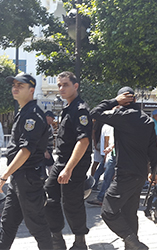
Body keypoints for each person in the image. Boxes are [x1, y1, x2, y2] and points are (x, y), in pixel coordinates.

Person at [90, 86, 157, 250]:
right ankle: (132, 246)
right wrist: (154, 172)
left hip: (125, 174)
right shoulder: (147, 120)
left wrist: (115, 101)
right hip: (140, 175)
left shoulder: (121, 116)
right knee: (130, 213)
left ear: (124, 99)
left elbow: (94, 113)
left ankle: (133, 242)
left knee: (108, 211)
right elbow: (153, 150)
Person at [0, 73, 52, 249]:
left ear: (31, 90)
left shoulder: (33, 116)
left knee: (37, 225)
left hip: (28, 178)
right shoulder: (24, 112)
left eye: (20, 85)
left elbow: (26, 150)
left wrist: (3, 177)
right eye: (14, 84)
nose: (15, 88)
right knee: (7, 223)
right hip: (19, 177)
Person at [44, 71, 92, 250]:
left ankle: (80, 243)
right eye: (59, 85)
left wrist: (69, 169)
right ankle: (56, 239)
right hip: (61, 161)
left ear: (75, 86)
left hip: (74, 163)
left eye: (65, 84)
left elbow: (84, 141)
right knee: (49, 194)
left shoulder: (80, 110)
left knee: (72, 203)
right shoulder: (68, 108)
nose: (61, 88)